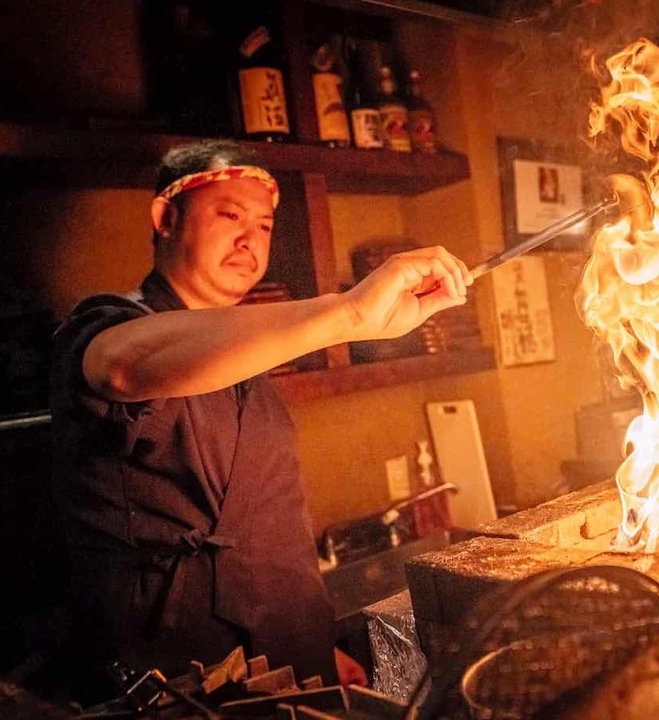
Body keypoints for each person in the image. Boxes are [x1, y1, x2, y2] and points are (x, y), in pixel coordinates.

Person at [49, 140, 471, 701]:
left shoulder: (251, 353)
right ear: (166, 218)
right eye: (229, 215)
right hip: (174, 675)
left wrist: (313, 645)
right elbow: (122, 367)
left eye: (266, 225)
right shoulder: (117, 324)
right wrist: (349, 312)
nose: (250, 239)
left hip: (284, 658)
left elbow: (266, 529)